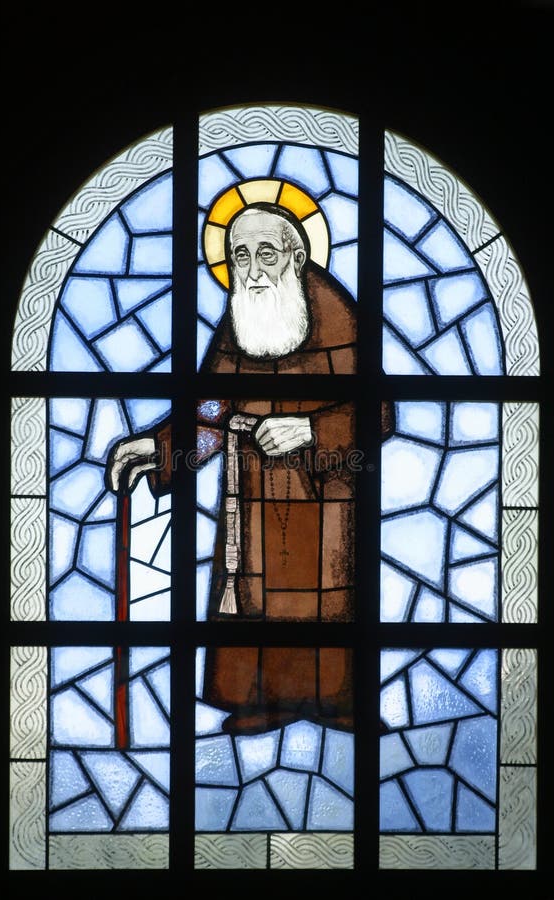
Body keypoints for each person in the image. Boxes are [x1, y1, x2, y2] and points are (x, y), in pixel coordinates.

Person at [106, 201, 393, 734]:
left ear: (297, 255)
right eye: (241, 256)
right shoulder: (242, 318)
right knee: (254, 598)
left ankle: (339, 703)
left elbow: (377, 412)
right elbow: (211, 409)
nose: (254, 270)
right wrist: (160, 449)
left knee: (326, 596)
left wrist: (308, 431)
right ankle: (264, 702)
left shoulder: (335, 313)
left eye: (267, 253)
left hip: (325, 496)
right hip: (253, 493)